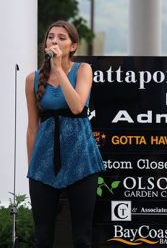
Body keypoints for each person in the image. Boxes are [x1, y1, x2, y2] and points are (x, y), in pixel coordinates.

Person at [25, 20, 105, 247]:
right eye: (51, 37)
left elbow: (77, 106)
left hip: (81, 158)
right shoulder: (32, 79)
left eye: (62, 38)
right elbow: (32, 127)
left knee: (81, 235)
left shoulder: (83, 70)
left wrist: (58, 69)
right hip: (44, 161)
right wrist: (32, 167)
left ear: (73, 46)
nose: (55, 41)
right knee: (42, 235)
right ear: (45, 43)